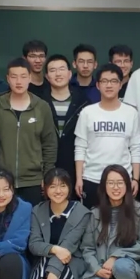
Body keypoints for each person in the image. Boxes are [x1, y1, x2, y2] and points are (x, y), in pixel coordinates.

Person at [73, 165, 140, 279]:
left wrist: (116, 256)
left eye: (120, 182)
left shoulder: (139, 211)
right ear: (104, 186)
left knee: (121, 266)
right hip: (103, 270)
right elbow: (87, 248)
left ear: (127, 185)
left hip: (129, 267)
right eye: (111, 183)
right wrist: (97, 269)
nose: (116, 187)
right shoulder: (94, 213)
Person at [0, 57, 58, 206]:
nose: (18, 81)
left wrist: (47, 175)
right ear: (8, 79)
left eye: (23, 76)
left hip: (33, 181)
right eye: (14, 77)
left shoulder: (42, 107)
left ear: (30, 78)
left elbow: (49, 144)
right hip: (3, 181)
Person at [28, 168, 91, 279]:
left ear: (69, 187)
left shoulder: (81, 213)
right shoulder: (38, 210)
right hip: (47, 256)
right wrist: (55, 249)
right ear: (45, 188)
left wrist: (53, 273)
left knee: (64, 275)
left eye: (62, 186)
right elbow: (34, 244)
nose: (58, 191)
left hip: (73, 258)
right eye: (52, 186)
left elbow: (69, 246)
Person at [74, 64, 140, 208]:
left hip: (122, 179)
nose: (109, 85)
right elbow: (80, 147)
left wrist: (135, 178)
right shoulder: (87, 112)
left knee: (122, 219)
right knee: (92, 219)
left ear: (120, 84)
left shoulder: (131, 113)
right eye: (104, 81)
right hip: (92, 178)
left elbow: (135, 147)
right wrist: (79, 178)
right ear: (98, 85)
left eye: (113, 81)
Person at [42, 54, 90, 185]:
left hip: (76, 169)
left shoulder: (84, 102)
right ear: (47, 76)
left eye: (62, 69)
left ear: (69, 74)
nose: (58, 74)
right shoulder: (38, 102)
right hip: (45, 168)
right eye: (52, 70)